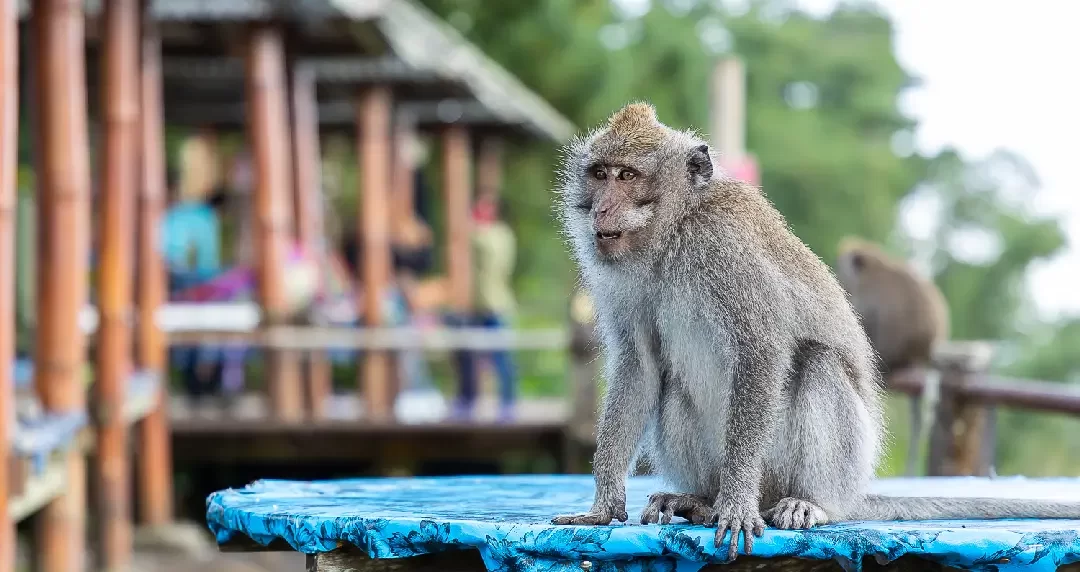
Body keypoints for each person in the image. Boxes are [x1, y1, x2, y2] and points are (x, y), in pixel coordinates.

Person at [449, 194, 519, 422]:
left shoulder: (499, 235)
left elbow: (482, 245)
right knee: (467, 355)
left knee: (502, 358)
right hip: (476, 307)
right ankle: (467, 401)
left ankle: (508, 404)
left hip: (496, 306)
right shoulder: (481, 236)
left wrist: (467, 226)